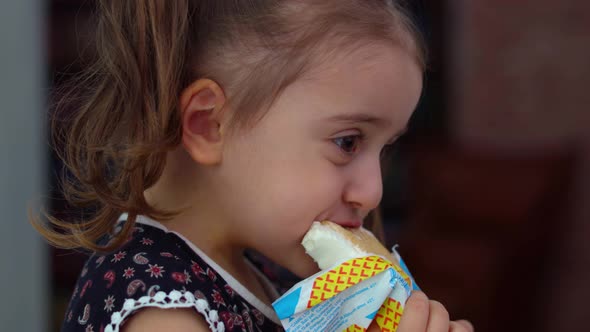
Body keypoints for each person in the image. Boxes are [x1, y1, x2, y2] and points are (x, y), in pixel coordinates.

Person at [35, 1, 473, 331]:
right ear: (210, 125)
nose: (372, 191)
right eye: (347, 142)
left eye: (386, 148)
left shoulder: (261, 267)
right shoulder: (163, 312)